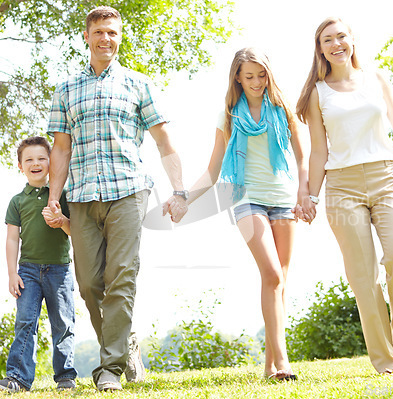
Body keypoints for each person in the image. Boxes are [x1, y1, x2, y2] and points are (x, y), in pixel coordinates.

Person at [46, 6, 188, 391]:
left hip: (128, 189)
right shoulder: (66, 89)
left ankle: (109, 370)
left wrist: (179, 191)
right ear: (87, 37)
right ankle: (125, 345)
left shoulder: (138, 84)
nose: (106, 38)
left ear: (119, 36)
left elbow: (163, 141)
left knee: (121, 276)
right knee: (90, 283)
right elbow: (60, 149)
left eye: (112, 32)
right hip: (80, 195)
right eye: (99, 32)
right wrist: (54, 197)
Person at [296, 17, 393, 374]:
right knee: (363, 276)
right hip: (342, 186)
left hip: (385, 177)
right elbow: (318, 151)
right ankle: (385, 360)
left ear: (352, 40)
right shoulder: (317, 93)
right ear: (320, 48)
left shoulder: (376, 79)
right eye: (328, 39)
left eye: (341, 36)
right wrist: (310, 196)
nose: (336, 43)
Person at [165, 48, 308, 380]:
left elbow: (302, 158)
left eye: (261, 75)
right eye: (249, 77)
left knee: (280, 283)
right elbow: (213, 171)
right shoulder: (228, 116)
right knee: (272, 274)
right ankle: (284, 362)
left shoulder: (283, 110)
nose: (256, 82)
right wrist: (183, 197)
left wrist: (305, 194)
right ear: (237, 79)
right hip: (246, 199)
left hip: (284, 200)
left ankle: (272, 367)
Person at [1, 136, 77, 393]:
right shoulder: (17, 201)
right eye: (29, 159)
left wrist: (61, 219)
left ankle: (65, 376)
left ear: (52, 162)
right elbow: (12, 239)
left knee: (63, 323)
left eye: (42, 158)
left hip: (60, 269)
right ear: (20, 165)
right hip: (28, 271)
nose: (36, 163)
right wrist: (12, 273)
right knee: (24, 322)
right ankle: (18, 378)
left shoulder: (61, 195)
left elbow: (73, 232)